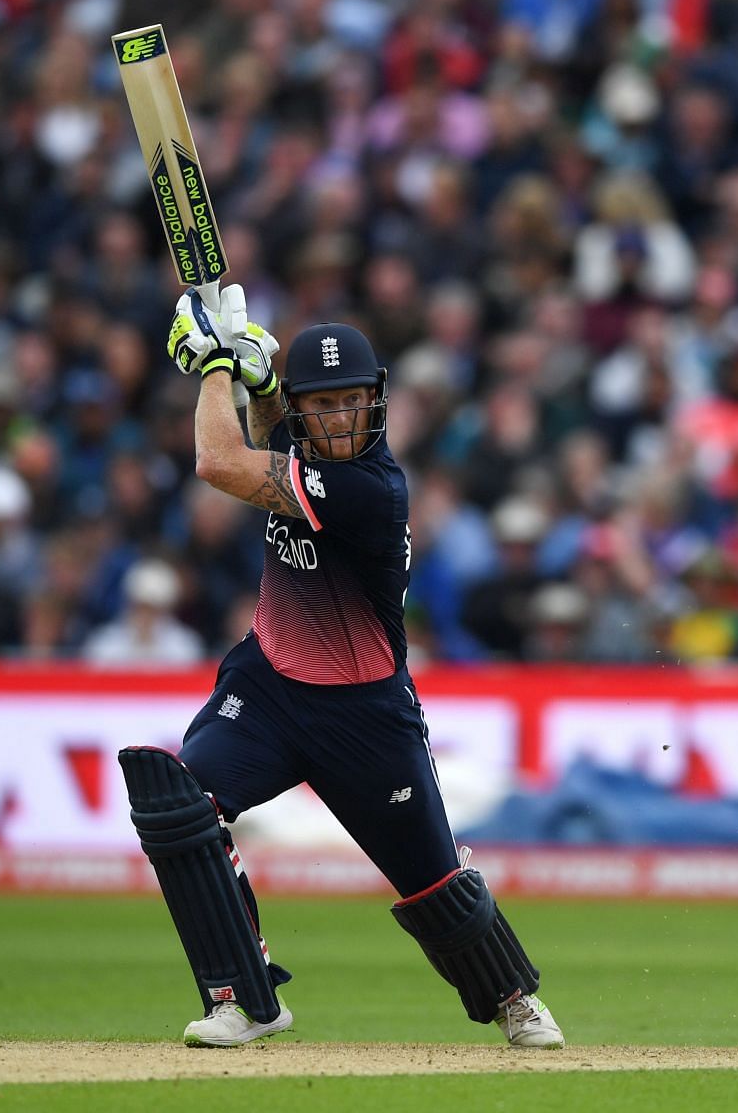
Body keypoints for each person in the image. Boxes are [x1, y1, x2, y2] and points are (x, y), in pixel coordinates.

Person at [118, 285, 564, 1049]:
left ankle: (514, 998)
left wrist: (216, 367)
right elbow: (268, 446)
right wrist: (258, 384)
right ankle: (244, 999)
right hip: (269, 689)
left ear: (374, 405)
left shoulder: (373, 489)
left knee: (434, 886)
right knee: (179, 805)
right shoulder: (307, 455)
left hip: (366, 714)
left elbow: (220, 461)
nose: (335, 419)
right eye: (319, 405)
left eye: (351, 402)